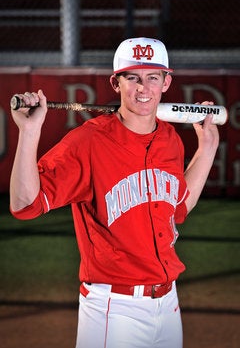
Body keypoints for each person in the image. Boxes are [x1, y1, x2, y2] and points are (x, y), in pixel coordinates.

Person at [9, 37, 219, 348]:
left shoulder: (169, 139)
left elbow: (178, 208)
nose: (143, 88)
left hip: (168, 302)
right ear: (116, 83)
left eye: (153, 77)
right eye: (132, 77)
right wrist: (29, 132)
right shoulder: (88, 142)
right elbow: (25, 204)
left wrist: (208, 148)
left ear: (166, 82)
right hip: (116, 310)